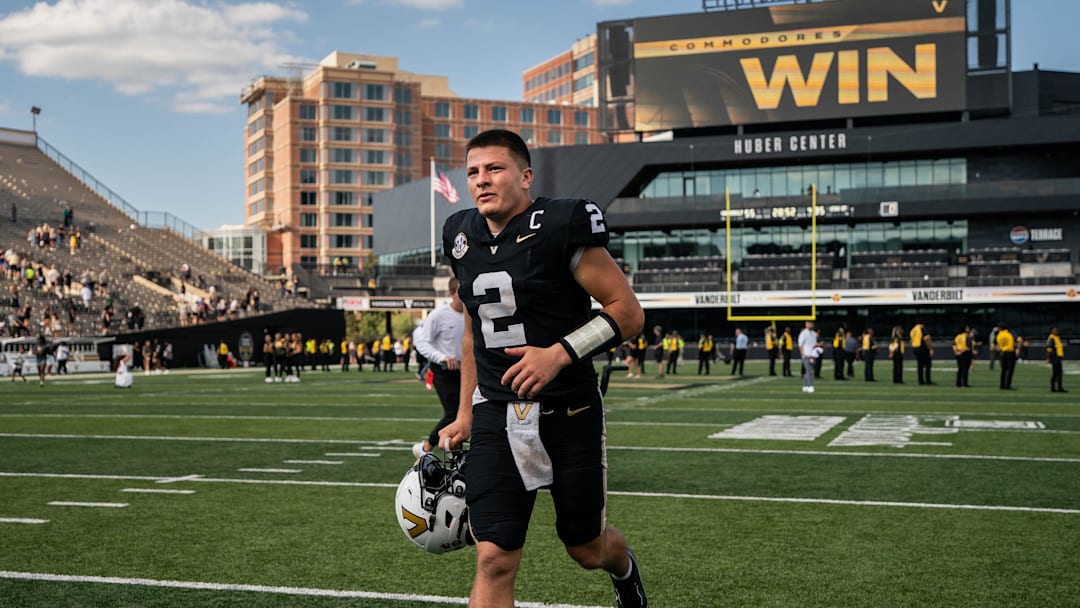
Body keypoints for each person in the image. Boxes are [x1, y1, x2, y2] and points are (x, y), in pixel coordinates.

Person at [436, 130, 648, 608]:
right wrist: (467, 411)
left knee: (586, 548)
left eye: (495, 169)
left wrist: (557, 354)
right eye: (473, 172)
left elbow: (628, 312)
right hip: (495, 412)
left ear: (525, 175)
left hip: (568, 410)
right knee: (493, 557)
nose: (481, 180)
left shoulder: (559, 223)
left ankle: (625, 570)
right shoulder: (460, 233)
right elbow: (472, 330)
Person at [412, 277, 465, 458]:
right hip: (442, 371)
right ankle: (427, 446)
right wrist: (443, 357)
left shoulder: (471, 315)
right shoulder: (438, 315)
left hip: (465, 371)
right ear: (452, 293)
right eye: (460, 289)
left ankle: (454, 448)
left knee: (468, 413)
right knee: (453, 413)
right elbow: (422, 343)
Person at [797, 320, 817, 393]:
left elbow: (814, 344)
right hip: (806, 354)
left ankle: (805, 386)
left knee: (808, 371)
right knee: (809, 370)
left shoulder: (814, 334)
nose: (810, 325)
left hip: (813, 354)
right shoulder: (803, 333)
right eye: (808, 323)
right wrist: (803, 353)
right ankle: (810, 385)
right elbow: (800, 344)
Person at [996, 322, 1017, 390]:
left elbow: (996, 345)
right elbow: (1018, 340)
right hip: (1010, 352)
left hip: (1002, 353)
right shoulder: (1010, 333)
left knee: (1003, 370)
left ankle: (1002, 385)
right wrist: (1018, 349)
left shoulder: (999, 335)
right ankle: (1008, 385)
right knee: (1010, 370)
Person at [1047, 326, 1067, 393]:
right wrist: (1049, 358)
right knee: (1057, 373)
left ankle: (1056, 388)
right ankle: (1056, 388)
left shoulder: (1056, 337)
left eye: (1057, 330)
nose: (1056, 331)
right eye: (1055, 330)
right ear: (1051, 331)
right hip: (1055, 357)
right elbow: (1049, 349)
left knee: (1057, 373)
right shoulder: (1052, 338)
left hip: (1058, 357)